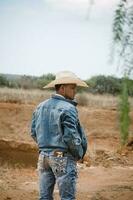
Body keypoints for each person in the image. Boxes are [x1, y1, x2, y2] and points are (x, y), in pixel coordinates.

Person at [30, 71, 88, 200]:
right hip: (60, 156)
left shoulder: (40, 106)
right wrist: (78, 154)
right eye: (72, 88)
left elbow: (33, 132)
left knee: (44, 196)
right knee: (67, 197)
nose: (75, 91)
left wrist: (46, 146)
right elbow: (70, 137)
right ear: (62, 88)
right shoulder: (68, 108)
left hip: (43, 157)